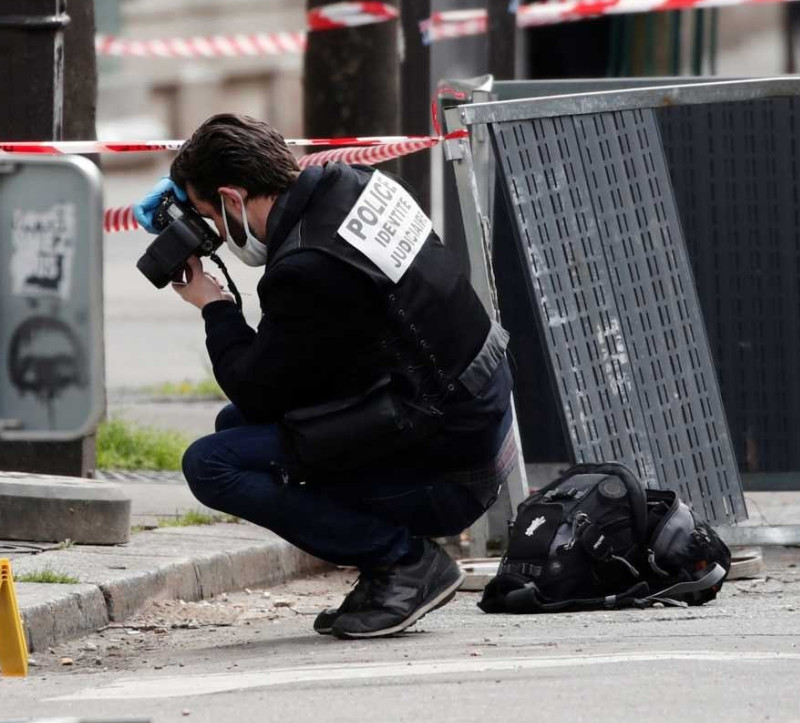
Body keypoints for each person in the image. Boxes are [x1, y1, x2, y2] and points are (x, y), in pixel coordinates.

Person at [134, 114, 516, 639]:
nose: (217, 236)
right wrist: (188, 190)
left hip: (449, 471)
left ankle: (403, 563)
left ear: (233, 195)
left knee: (213, 463)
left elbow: (257, 390)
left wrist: (213, 307)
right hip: (473, 414)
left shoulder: (305, 268)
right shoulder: (357, 187)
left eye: (210, 217)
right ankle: (388, 563)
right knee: (234, 427)